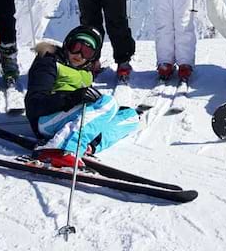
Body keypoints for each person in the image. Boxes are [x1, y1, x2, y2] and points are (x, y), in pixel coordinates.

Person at [25, 25, 140, 168]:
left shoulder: (85, 72)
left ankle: (87, 145)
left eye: (87, 52)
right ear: (68, 44)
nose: (79, 55)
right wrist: (73, 98)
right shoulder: (49, 62)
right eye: (76, 47)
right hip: (45, 121)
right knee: (107, 103)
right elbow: (34, 104)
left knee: (130, 116)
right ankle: (61, 148)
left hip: (67, 120)